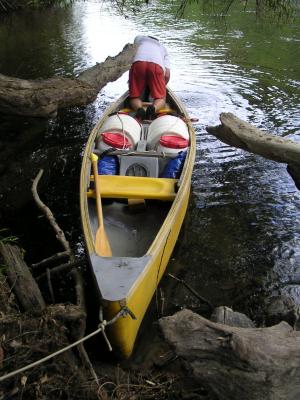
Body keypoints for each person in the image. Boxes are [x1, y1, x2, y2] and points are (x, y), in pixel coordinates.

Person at [129, 35, 171, 120]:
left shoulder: (139, 38)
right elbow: (167, 75)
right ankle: (153, 108)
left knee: (134, 96)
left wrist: (131, 83)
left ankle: (139, 109)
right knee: (161, 98)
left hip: (138, 63)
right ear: (157, 41)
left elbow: (131, 53)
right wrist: (162, 87)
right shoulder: (163, 48)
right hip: (156, 67)